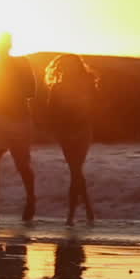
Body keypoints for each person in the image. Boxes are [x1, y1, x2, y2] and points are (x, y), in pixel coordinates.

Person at [0, 33, 37, 223]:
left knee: (22, 165)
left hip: (20, 120)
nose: (0, 49)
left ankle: (31, 200)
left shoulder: (22, 63)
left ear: (9, 46)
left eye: (3, 45)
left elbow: (31, 90)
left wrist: (10, 89)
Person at [44, 54, 97, 226]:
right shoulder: (57, 88)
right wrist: (56, 129)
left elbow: (95, 104)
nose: (68, 68)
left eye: (71, 65)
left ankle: (71, 215)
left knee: (75, 171)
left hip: (82, 131)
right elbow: (50, 111)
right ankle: (88, 210)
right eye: (65, 66)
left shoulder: (87, 82)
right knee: (76, 171)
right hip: (65, 132)